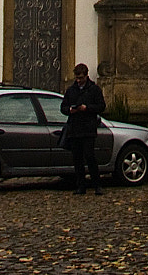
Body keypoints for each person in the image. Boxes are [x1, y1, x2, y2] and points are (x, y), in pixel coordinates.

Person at [60, 63, 107, 195]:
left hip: (88, 129)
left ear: (86, 76)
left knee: (90, 157)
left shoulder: (94, 89)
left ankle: (97, 185)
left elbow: (101, 106)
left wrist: (87, 108)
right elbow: (63, 107)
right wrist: (70, 110)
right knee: (77, 159)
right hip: (74, 129)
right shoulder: (71, 90)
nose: (79, 80)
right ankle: (81, 186)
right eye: (77, 78)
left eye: (81, 77)